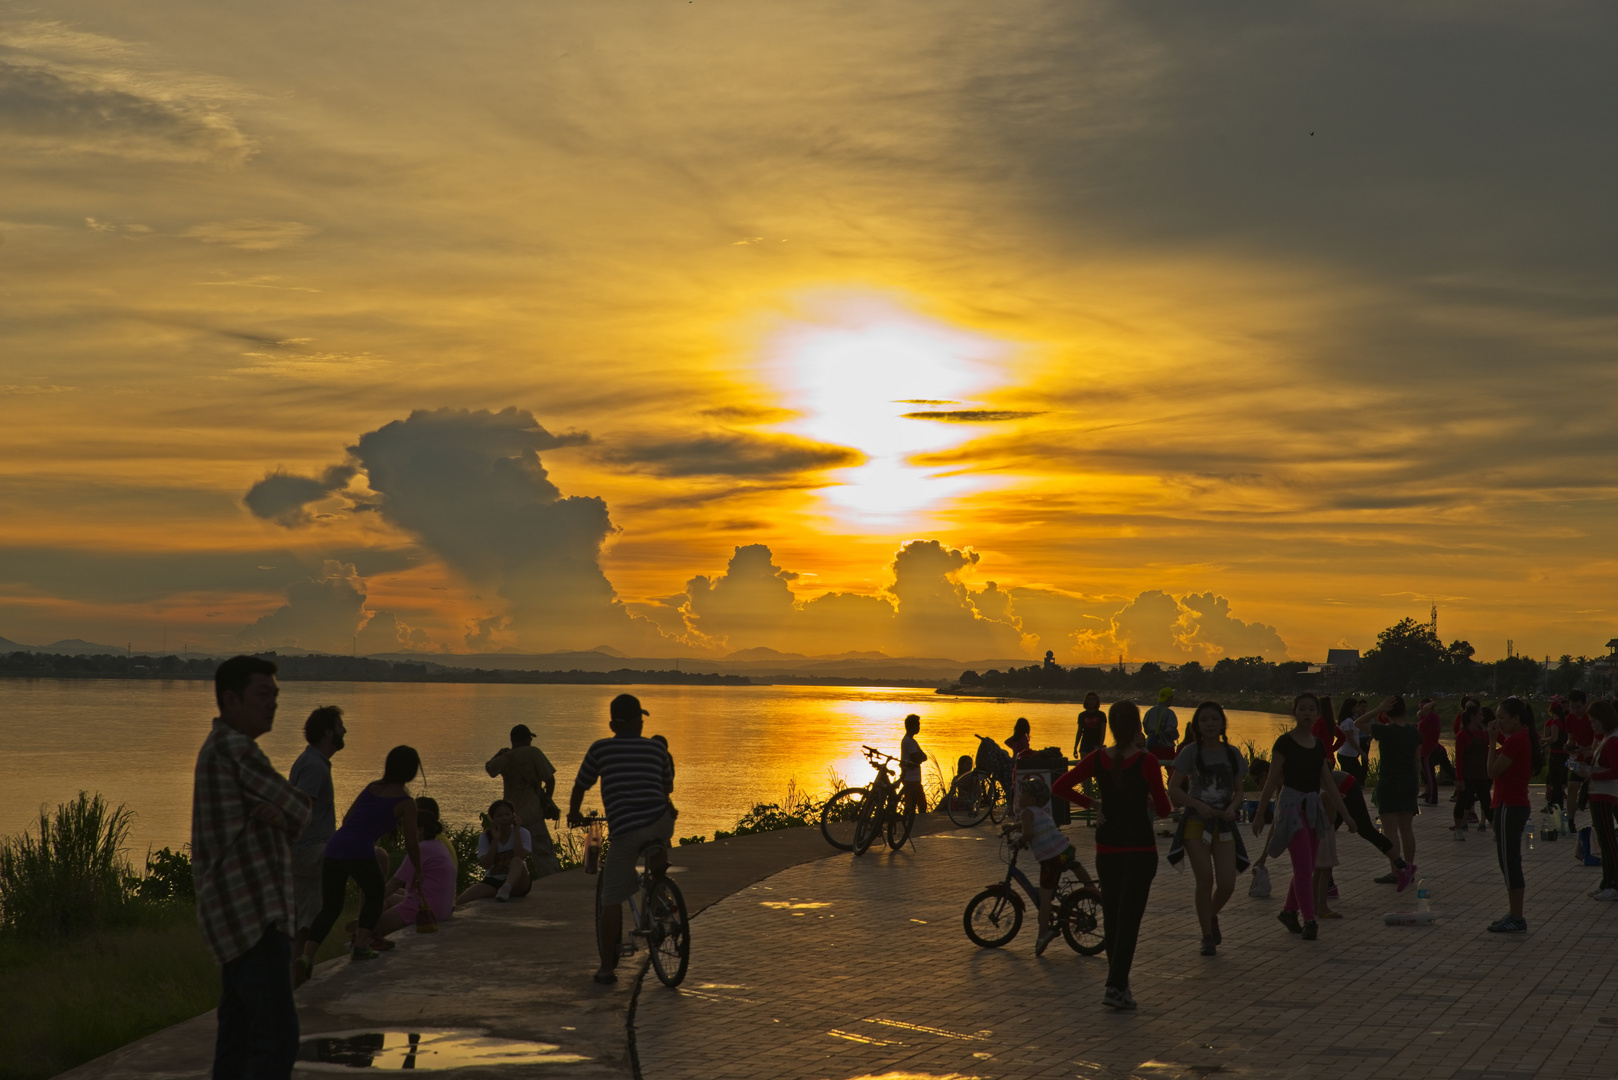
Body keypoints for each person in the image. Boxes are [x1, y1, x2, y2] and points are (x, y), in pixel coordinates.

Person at [191, 655, 311, 1079]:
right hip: (254, 915)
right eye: (263, 695)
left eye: (275, 696)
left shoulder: (222, 748)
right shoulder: (236, 749)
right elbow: (299, 806)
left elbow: (289, 812)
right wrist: (280, 814)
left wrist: (280, 814)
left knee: (238, 1041)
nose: (273, 704)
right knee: (276, 1041)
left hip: (236, 916)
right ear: (231, 698)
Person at [1052, 700, 1174, 1011]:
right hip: (1140, 849)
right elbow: (1164, 809)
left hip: (1107, 848)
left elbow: (1060, 786)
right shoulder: (1146, 762)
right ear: (1138, 729)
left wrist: (1093, 803)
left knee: (1113, 917)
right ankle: (1116, 986)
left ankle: (1118, 984)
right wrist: (1148, 800)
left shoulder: (1096, 759)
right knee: (1129, 920)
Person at [567, 693, 674, 985]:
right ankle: (657, 888)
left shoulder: (601, 749)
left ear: (613, 724)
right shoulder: (656, 749)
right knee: (658, 839)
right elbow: (666, 787)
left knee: (610, 899)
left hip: (627, 830)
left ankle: (606, 967)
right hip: (661, 822)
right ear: (639, 723)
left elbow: (580, 785)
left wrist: (574, 813)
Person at [299, 746, 422, 971]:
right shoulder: (407, 802)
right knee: (376, 897)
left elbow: (347, 819)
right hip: (360, 849)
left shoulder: (372, 787)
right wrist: (419, 869)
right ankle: (360, 945)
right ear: (412, 771)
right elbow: (412, 843)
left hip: (335, 846)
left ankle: (306, 957)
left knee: (331, 907)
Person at [1253, 693, 1357, 941]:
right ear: (1294, 712)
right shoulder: (1284, 743)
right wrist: (1260, 814)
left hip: (1312, 807)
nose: (1307, 713)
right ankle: (1309, 920)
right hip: (1290, 806)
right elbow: (1271, 781)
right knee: (1302, 865)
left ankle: (1289, 911)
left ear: (1317, 714)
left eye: (1312, 709)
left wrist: (1347, 815)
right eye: (1302, 709)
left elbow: (1328, 783)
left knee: (1309, 866)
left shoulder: (1318, 745)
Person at [1165, 702, 1249, 957]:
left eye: (1214, 719)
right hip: (1195, 823)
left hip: (1223, 823)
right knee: (1205, 880)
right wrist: (1197, 805)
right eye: (1204, 720)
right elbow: (1174, 788)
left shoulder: (1232, 753)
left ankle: (1211, 915)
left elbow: (1239, 790)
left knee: (1227, 883)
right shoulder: (1190, 752)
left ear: (1223, 723)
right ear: (1196, 725)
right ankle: (1206, 936)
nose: (1210, 724)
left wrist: (1233, 807)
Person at [1013, 773, 1097, 956]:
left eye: (1022, 794)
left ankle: (1043, 934)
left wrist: (1019, 842)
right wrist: (1012, 827)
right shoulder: (1039, 812)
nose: (1019, 797)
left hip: (1050, 859)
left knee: (1045, 898)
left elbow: (1027, 833)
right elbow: (1029, 825)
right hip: (1064, 850)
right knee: (1074, 864)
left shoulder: (1027, 812)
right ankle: (1091, 890)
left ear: (1032, 799)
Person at [289, 705, 345, 956]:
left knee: (304, 926)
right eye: (339, 726)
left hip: (302, 852)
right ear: (327, 733)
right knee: (375, 859)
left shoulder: (313, 760)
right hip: (309, 851)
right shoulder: (314, 766)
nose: (345, 730)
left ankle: (295, 988)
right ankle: (369, 933)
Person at [1356, 696, 1421, 889]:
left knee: (1390, 830)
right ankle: (1408, 867)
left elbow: (1358, 722)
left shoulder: (1383, 731)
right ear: (1404, 711)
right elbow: (1417, 760)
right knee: (1407, 829)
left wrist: (1377, 709)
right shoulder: (1414, 732)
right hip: (1408, 783)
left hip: (1389, 783)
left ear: (1387, 713)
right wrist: (1416, 782)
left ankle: (1396, 870)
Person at [1486, 697, 1538, 933]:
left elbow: (1492, 771)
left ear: (1516, 719)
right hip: (1513, 803)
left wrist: (1490, 742)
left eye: (1502, 717)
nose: (1499, 722)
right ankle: (1514, 912)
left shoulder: (1516, 740)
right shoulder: (1522, 737)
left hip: (1510, 805)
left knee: (1509, 862)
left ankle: (1517, 916)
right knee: (1508, 861)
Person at [371, 797, 455, 939]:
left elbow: (395, 882)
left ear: (420, 830)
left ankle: (366, 940)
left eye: (408, 828)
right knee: (389, 898)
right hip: (442, 907)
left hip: (426, 908)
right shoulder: (438, 845)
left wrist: (370, 901)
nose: (405, 833)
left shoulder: (420, 849)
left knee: (376, 924)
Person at [486, 724, 562, 876]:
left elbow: (490, 769)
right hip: (533, 815)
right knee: (544, 855)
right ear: (527, 739)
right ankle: (553, 885)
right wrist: (547, 799)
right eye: (529, 739)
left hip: (511, 818)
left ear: (512, 740)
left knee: (511, 856)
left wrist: (499, 753)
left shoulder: (505, 758)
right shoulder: (533, 752)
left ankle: (511, 884)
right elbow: (550, 779)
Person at [1572, 701, 1618, 900]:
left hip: (1605, 794)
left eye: (1594, 721)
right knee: (1605, 840)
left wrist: (1592, 774)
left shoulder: (1613, 740)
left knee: (1608, 842)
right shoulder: (1607, 738)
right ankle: (1606, 882)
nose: (1592, 725)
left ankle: (1613, 884)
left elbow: (1616, 771)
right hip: (1599, 793)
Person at [457, 799, 532, 904]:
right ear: (493, 818)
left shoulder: (523, 833)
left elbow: (520, 856)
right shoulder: (485, 837)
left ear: (513, 816)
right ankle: (502, 890)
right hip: (494, 881)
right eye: (500, 815)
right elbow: (486, 865)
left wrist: (517, 831)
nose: (504, 818)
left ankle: (506, 887)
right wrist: (495, 840)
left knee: (517, 861)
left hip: (518, 882)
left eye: (507, 814)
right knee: (461, 900)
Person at [1452, 707, 1494, 839]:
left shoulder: (1483, 733)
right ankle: (1458, 829)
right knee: (1462, 802)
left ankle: (1496, 829)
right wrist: (1459, 779)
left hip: (1481, 774)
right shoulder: (1462, 735)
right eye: (1479, 715)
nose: (1482, 717)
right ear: (1472, 716)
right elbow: (1459, 758)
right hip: (1467, 775)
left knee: (1487, 802)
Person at [1565, 690, 1595, 835]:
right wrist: (1569, 745)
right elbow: (1571, 738)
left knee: (1594, 792)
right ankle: (1570, 820)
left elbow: (1601, 740)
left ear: (1585, 704)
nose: (1575, 710)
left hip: (1594, 758)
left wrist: (1586, 748)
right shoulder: (1570, 719)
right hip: (1580, 759)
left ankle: (1597, 821)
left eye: (1578, 707)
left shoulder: (1592, 718)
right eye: (1572, 707)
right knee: (1572, 787)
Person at [1544, 698, 1570, 813]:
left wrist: (1541, 741)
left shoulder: (1556, 722)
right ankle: (1554, 804)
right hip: (1564, 754)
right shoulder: (1564, 721)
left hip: (1556, 753)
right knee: (1558, 780)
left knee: (1555, 781)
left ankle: (1556, 804)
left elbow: (1553, 738)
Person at [900, 714, 929, 815]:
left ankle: (918, 821)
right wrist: (919, 757)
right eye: (918, 725)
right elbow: (917, 758)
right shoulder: (908, 741)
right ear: (912, 726)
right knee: (910, 805)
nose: (919, 727)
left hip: (915, 779)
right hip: (909, 778)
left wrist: (920, 757)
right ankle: (908, 821)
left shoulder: (913, 741)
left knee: (922, 804)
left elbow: (924, 756)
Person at [1143, 688, 1178, 767]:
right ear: (1169, 698)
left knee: (1151, 770)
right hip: (1166, 747)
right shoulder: (1169, 713)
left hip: (1152, 746)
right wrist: (1176, 736)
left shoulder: (1150, 711)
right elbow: (1171, 730)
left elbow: (1146, 729)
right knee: (1170, 771)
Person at [1417, 699, 1443, 805]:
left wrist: (1432, 703)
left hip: (1429, 750)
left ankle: (1432, 799)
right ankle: (1430, 797)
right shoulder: (1426, 718)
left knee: (1430, 776)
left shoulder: (1432, 716)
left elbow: (1426, 709)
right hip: (1424, 750)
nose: (1421, 710)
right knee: (1428, 776)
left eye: (1423, 708)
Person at [1074, 692, 1107, 758]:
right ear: (1086, 701)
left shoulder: (1101, 715)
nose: (1091, 701)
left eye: (1094, 699)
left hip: (1096, 744)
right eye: (1089, 699)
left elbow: (1103, 732)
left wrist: (1101, 745)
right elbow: (1079, 732)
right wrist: (1075, 747)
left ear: (1097, 701)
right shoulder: (1082, 715)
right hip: (1085, 744)